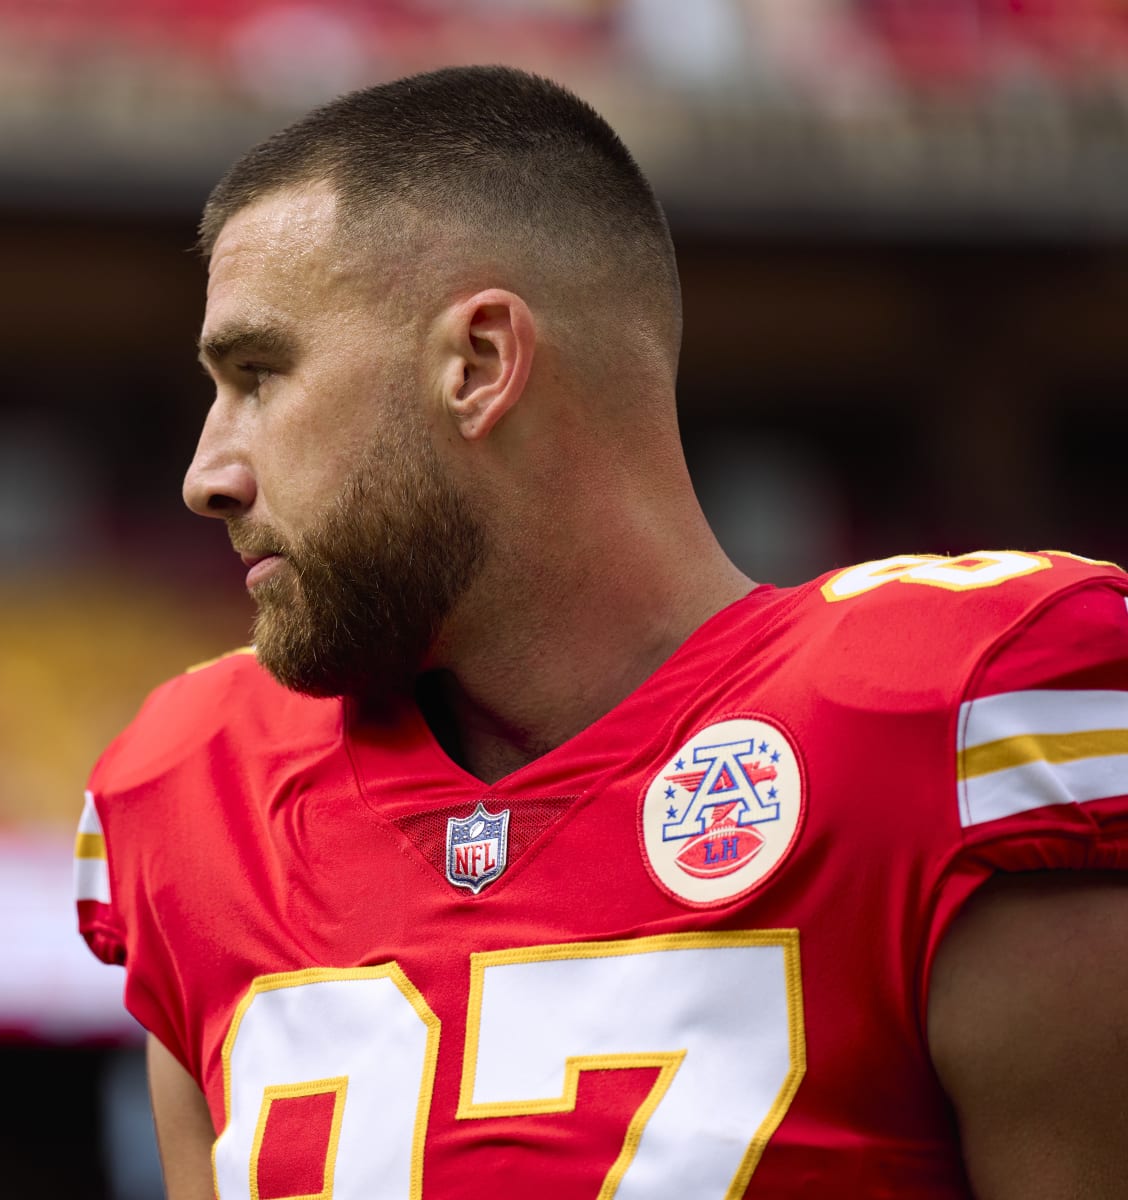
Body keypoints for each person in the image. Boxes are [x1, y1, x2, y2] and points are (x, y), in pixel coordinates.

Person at [73, 66, 1128, 1198]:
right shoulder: (200, 789)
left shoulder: (964, 718)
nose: (206, 475)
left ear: (477, 365)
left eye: (258, 375)